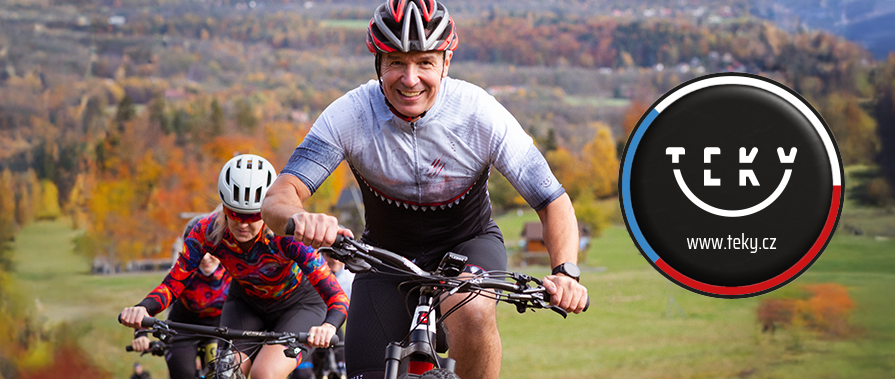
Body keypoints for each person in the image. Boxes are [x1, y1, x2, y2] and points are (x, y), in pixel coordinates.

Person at [259, 1, 590, 378]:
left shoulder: (479, 113)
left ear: (446, 63)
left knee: (472, 307)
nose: (410, 78)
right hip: (384, 257)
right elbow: (278, 196)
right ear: (378, 64)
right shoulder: (349, 115)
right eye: (396, 62)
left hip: (468, 245)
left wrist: (565, 272)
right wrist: (300, 216)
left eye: (425, 63)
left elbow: (551, 200)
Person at [121, 154, 349, 379]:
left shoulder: (287, 235)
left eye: (252, 216)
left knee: (264, 373)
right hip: (246, 304)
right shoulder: (206, 232)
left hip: (299, 305)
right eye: (234, 214)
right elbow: (174, 283)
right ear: (223, 207)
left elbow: (337, 297)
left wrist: (329, 326)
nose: (242, 224)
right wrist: (144, 307)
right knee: (225, 373)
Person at [127, 219, 228, 379]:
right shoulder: (185, 269)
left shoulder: (234, 267)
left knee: (226, 373)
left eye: (211, 250)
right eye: (199, 250)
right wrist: (141, 330)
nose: (206, 257)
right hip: (183, 327)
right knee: (183, 373)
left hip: (224, 326)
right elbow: (164, 293)